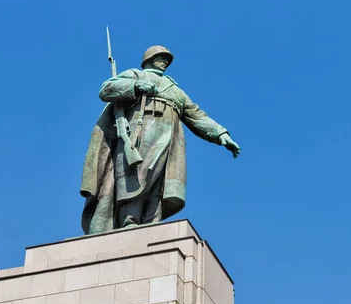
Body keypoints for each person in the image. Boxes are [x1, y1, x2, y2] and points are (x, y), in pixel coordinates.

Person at [80, 45, 241, 234]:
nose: (165, 62)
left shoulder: (176, 91)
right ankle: (129, 221)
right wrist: (135, 87)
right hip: (139, 135)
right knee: (136, 177)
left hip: (168, 141)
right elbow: (106, 89)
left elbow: (197, 116)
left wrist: (221, 134)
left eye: (167, 59)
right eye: (161, 57)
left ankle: (151, 222)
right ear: (149, 59)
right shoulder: (136, 75)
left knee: (159, 183)